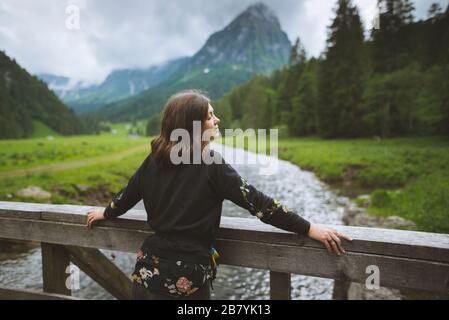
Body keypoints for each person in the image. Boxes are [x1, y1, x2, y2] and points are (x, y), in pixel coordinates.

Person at [86, 89, 352, 300]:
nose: (217, 120)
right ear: (194, 125)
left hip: (146, 275)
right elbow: (259, 204)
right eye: (211, 115)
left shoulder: (154, 160)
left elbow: (126, 197)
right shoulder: (210, 163)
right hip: (186, 280)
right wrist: (308, 228)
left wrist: (106, 212)